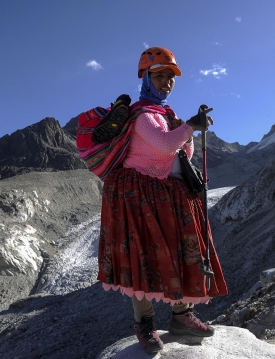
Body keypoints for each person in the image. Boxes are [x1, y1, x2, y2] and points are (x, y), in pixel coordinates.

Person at [96, 46, 228, 354]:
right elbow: (164, 144)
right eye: (160, 76)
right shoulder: (141, 115)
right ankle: (145, 324)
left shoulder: (164, 114)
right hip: (139, 196)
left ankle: (181, 315)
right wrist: (189, 127)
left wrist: (188, 130)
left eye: (171, 77)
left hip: (163, 195)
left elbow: (184, 153)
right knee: (143, 258)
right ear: (145, 77)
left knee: (175, 253)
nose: (167, 82)